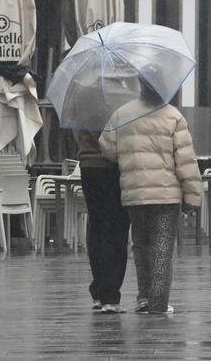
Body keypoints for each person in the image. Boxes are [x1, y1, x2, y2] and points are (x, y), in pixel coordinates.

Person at [100, 82, 202, 314]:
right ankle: (157, 303)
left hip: (134, 194)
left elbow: (107, 148)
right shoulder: (173, 116)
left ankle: (144, 297)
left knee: (142, 245)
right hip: (166, 197)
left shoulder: (121, 114)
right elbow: (186, 161)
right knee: (162, 248)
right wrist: (193, 197)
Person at [76, 127, 131, 314]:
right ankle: (110, 295)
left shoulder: (82, 102)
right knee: (118, 228)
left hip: (88, 165)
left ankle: (99, 289)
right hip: (114, 166)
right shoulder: (120, 106)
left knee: (97, 227)